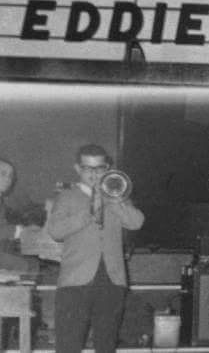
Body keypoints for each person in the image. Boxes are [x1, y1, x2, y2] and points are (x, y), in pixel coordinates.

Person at [48, 144, 144, 353]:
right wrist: (89, 213)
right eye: (88, 168)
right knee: (68, 346)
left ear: (108, 168)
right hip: (75, 281)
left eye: (99, 168)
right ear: (77, 168)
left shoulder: (118, 194)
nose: (93, 174)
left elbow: (136, 222)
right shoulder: (66, 197)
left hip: (112, 280)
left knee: (106, 346)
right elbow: (55, 231)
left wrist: (114, 201)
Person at [0, 157, 39, 273]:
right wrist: (20, 231)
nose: (8, 179)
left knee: (28, 263)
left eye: (10, 176)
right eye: (3, 174)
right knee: (27, 266)